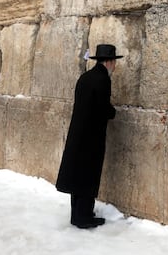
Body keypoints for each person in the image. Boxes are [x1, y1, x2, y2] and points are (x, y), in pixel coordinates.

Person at [56, 44, 123, 229]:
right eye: (114, 62)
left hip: (78, 134)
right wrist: (113, 112)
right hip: (92, 136)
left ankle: (77, 214)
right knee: (88, 175)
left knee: (78, 174)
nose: (115, 66)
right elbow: (103, 108)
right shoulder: (103, 79)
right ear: (109, 62)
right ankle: (84, 217)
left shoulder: (85, 77)